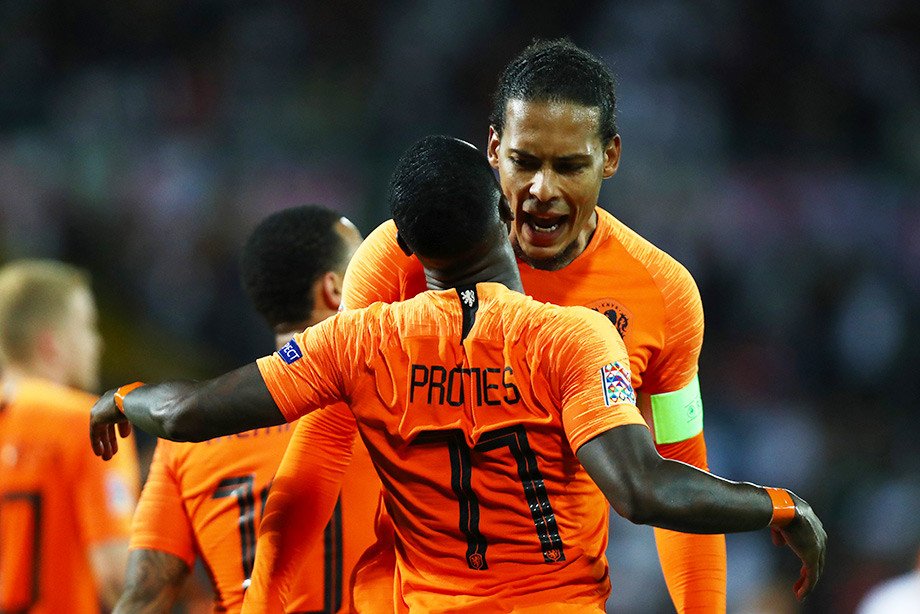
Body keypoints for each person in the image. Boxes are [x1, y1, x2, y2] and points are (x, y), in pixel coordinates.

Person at [90, 136, 826, 612]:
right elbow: (642, 488)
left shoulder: (357, 340)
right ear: (505, 212)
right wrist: (778, 507)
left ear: (406, 246)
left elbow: (186, 412)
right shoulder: (571, 337)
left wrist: (125, 399)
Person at [281, 38, 728, 612]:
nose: (543, 191)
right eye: (525, 162)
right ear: (494, 149)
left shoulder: (663, 294)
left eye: (569, 166)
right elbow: (324, 442)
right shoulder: (402, 258)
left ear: (610, 157)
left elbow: (679, 463)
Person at [114, 205, 375, 613]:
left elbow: (143, 600)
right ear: (335, 289)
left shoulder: (189, 441)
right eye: (365, 267)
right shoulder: (392, 411)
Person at [0, 259, 139, 613]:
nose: (97, 343)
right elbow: (119, 579)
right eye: (87, 326)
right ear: (51, 343)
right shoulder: (87, 423)